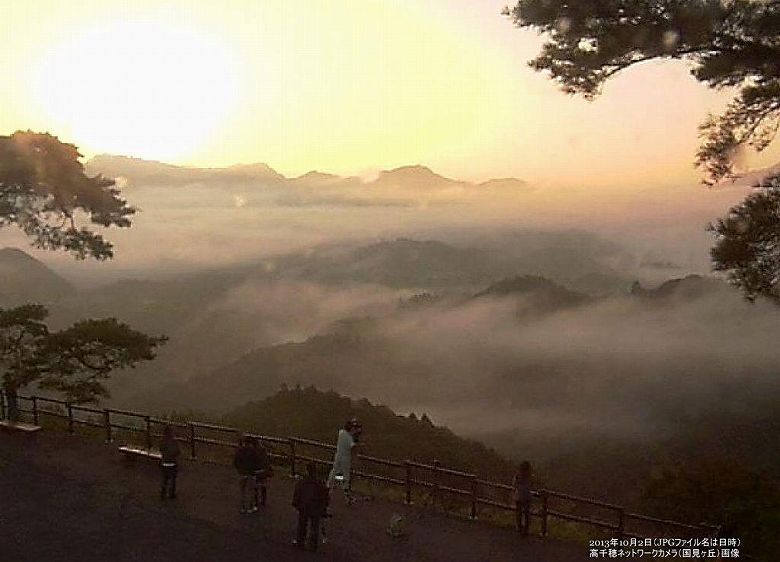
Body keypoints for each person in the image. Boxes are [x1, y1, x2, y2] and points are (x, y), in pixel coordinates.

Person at [292, 462, 329, 551]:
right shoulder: (320, 484)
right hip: (315, 507)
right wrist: (323, 509)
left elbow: (297, 493)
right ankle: (313, 544)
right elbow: (325, 497)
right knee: (314, 526)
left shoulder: (302, 482)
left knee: (302, 524)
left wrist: (296, 503)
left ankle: (300, 541)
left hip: (304, 506)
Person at [327, 419, 361, 504]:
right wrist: (356, 438)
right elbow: (353, 447)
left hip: (338, 457)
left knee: (335, 473)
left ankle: (329, 489)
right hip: (345, 460)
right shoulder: (349, 438)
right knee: (346, 477)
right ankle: (347, 496)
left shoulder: (341, 433)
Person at [234, 436, 259, 513]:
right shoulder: (253, 451)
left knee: (242, 491)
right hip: (251, 473)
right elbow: (257, 462)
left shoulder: (239, 451)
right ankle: (250, 507)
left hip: (242, 473)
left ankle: (242, 507)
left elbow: (236, 461)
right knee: (251, 491)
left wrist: (239, 469)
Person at [159, 425, 181, 500]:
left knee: (165, 479)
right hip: (173, 463)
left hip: (164, 463)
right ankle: (171, 494)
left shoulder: (162, 441)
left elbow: (161, 450)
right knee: (173, 479)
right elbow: (178, 452)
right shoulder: (174, 442)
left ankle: (163, 492)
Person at [250, 437, 272, 508]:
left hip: (256, 471)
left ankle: (256, 501)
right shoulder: (263, 451)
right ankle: (263, 501)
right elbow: (266, 461)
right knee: (263, 486)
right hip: (263, 471)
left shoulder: (253, 452)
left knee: (255, 487)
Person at [513, 460, 533, 536]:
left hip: (519, 496)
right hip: (527, 496)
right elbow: (531, 485)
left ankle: (519, 527)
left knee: (519, 512)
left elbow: (514, 484)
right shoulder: (529, 476)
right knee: (527, 513)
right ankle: (526, 529)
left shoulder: (518, 476)